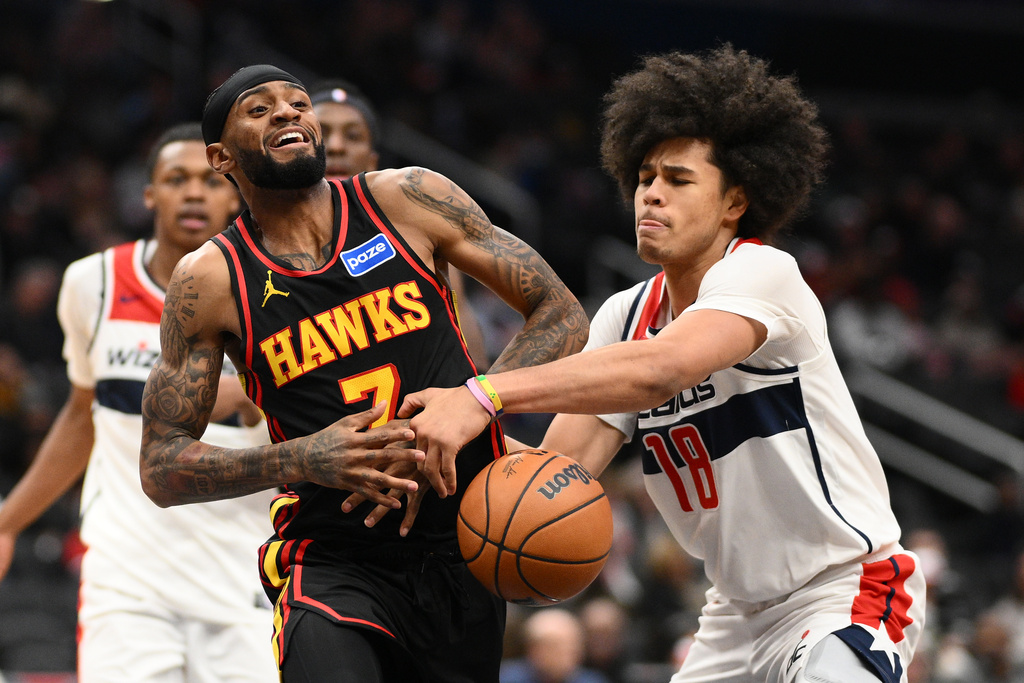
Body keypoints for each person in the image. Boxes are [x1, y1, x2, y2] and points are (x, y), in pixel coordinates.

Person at [399, 45, 926, 682]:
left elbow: (662, 369)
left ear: (734, 203)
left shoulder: (763, 273)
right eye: (646, 176)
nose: (652, 194)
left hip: (844, 590)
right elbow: (555, 472)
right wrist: (428, 433)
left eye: (678, 180)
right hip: (735, 614)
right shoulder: (625, 315)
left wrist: (482, 393)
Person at [138, 64, 587, 682]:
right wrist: (303, 457)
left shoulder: (406, 198)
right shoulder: (209, 280)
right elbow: (162, 466)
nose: (288, 112)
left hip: (467, 544)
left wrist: (478, 401)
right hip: (333, 562)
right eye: (260, 109)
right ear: (221, 157)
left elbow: (560, 312)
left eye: (297, 103)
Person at [0, 123, 278, 681]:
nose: (194, 192)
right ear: (149, 194)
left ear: (234, 194)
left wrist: (241, 392)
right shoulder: (93, 283)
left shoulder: (273, 289)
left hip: (242, 576)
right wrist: (7, 522)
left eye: (210, 180)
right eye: (176, 179)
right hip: (126, 581)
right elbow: (83, 416)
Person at [308, 77, 489, 368]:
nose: (337, 147)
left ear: (372, 162)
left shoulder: (420, 235)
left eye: (353, 136)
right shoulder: (257, 246)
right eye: (321, 133)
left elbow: (474, 364)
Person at [500, 608, 610, 683]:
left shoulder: (593, 680)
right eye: (558, 646)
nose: (571, 653)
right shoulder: (506, 678)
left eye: (575, 645)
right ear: (535, 650)